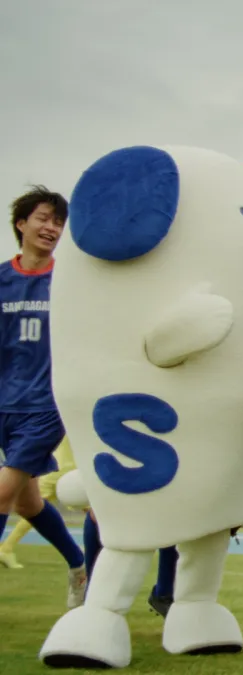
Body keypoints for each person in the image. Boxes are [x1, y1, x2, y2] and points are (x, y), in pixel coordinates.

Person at [0, 186, 87, 608]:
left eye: (58, 222)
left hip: (47, 407)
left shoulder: (71, 282)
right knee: (27, 502)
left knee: (2, 493)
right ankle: (79, 565)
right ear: (21, 224)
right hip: (5, 405)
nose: (52, 227)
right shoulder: (2, 279)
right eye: (44, 218)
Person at [0, 437, 76, 569]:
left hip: (57, 469)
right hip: (65, 471)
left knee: (29, 506)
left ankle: (6, 548)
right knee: (28, 506)